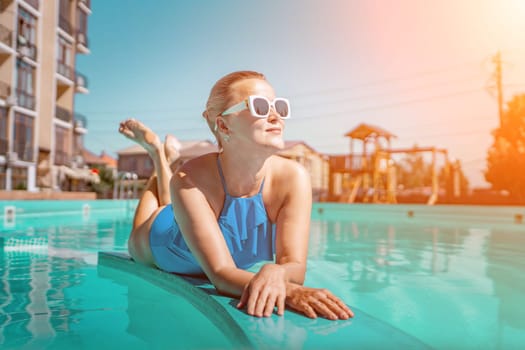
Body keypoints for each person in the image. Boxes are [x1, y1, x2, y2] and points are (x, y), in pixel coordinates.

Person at [118, 70, 354, 321]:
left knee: (174, 196)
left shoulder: (294, 178)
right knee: (159, 206)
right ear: (223, 125)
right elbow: (220, 273)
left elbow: (294, 266)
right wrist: (288, 291)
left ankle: (164, 158)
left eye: (279, 106)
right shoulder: (191, 179)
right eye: (260, 106)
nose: (275, 116)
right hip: (160, 236)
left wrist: (276, 271)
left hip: (187, 208)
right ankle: (157, 153)